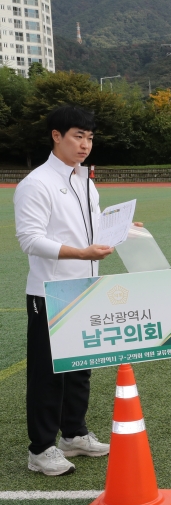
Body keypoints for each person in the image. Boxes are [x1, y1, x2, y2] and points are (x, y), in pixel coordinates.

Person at [14, 105, 123, 476]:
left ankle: (73, 435)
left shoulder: (85, 180)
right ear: (56, 136)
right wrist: (81, 253)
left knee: (79, 370)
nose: (85, 144)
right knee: (48, 374)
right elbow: (30, 239)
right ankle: (41, 449)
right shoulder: (37, 183)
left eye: (89, 137)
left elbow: (91, 228)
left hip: (85, 287)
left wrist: (123, 229)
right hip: (49, 292)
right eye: (78, 136)